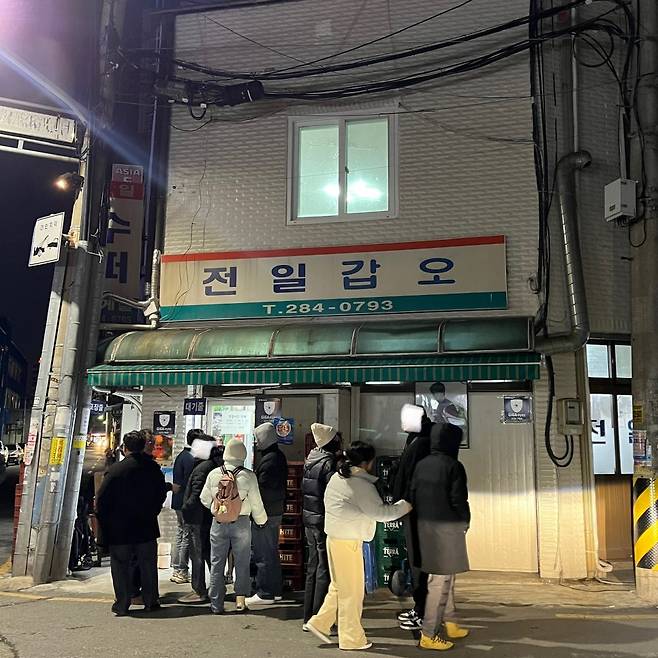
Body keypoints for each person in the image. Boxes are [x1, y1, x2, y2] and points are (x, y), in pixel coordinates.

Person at [306, 441, 412, 652]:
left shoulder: (338, 477)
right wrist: (405, 505)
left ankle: (320, 623)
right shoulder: (361, 485)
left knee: (339, 587)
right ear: (367, 463)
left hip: (334, 538)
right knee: (352, 593)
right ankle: (351, 638)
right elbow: (380, 513)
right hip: (348, 542)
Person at [410, 423, 471, 652]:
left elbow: (413, 494)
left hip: (425, 527)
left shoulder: (421, 464)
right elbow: (458, 499)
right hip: (447, 529)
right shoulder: (453, 466)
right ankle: (429, 634)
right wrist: (465, 521)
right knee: (439, 582)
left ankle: (451, 621)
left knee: (446, 577)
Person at [96, 430, 168, 616]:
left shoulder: (116, 470)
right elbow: (161, 493)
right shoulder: (153, 469)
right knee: (148, 565)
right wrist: (152, 511)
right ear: (143, 446)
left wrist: (106, 524)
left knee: (120, 566)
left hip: (120, 529)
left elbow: (102, 501)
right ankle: (151, 601)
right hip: (146, 526)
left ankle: (122, 604)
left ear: (125, 448)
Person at [201, 438, 267, 614]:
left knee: (217, 563)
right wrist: (261, 520)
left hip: (218, 523)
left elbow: (204, 498)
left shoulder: (214, 474)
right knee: (242, 562)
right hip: (242, 523)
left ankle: (216, 603)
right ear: (243, 455)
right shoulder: (248, 476)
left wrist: (219, 509)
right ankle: (240, 601)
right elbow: (256, 503)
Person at [393, 404, 434, 631]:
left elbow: (411, 476)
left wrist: (403, 501)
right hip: (413, 508)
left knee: (419, 563)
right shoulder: (417, 439)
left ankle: (422, 612)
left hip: (416, 510)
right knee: (416, 562)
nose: (401, 422)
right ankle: (420, 608)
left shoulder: (421, 443)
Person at [301, 423, 341, 628]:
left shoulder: (311, 459)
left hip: (309, 519)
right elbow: (333, 494)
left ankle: (308, 616)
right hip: (323, 521)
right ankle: (319, 618)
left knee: (313, 567)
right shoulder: (328, 464)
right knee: (325, 568)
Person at [178, 435, 224, 604]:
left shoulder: (202, 468)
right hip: (207, 517)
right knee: (208, 553)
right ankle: (217, 586)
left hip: (196, 518)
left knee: (197, 555)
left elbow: (196, 494)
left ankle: (199, 590)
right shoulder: (214, 465)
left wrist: (186, 507)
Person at [246, 422, 287, 607]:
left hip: (265, 513)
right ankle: (275, 591)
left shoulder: (269, 460)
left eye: (257, 438)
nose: (256, 442)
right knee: (271, 552)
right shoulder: (278, 457)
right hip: (274, 511)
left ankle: (265, 593)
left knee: (263, 554)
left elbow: (263, 490)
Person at [170, 428, 204, 585]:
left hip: (178, 500)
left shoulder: (182, 456)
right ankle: (181, 570)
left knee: (181, 532)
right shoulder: (191, 458)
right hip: (186, 501)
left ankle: (177, 568)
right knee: (186, 534)